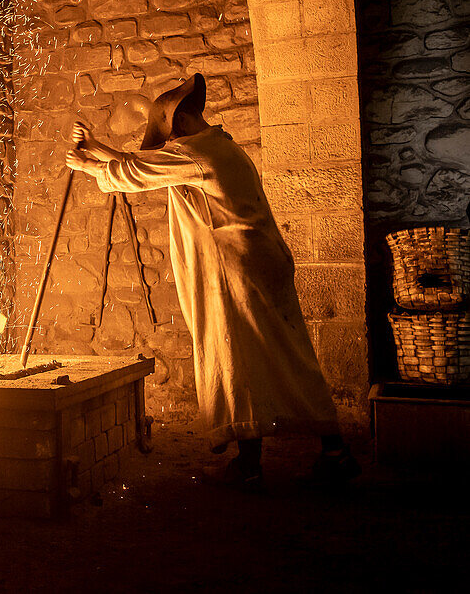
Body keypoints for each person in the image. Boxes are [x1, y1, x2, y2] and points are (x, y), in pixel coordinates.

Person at [65, 73, 360, 490]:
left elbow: (136, 171)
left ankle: (271, 461)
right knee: (268, 359)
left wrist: (89, 164)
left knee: (242, 360)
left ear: (181, 125)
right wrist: (95, 148)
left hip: (238, 273)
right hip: (255, 267)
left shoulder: (198, 154)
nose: (170, 143)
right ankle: (311, 453)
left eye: (170, 134)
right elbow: (147, 168)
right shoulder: (219, 148)